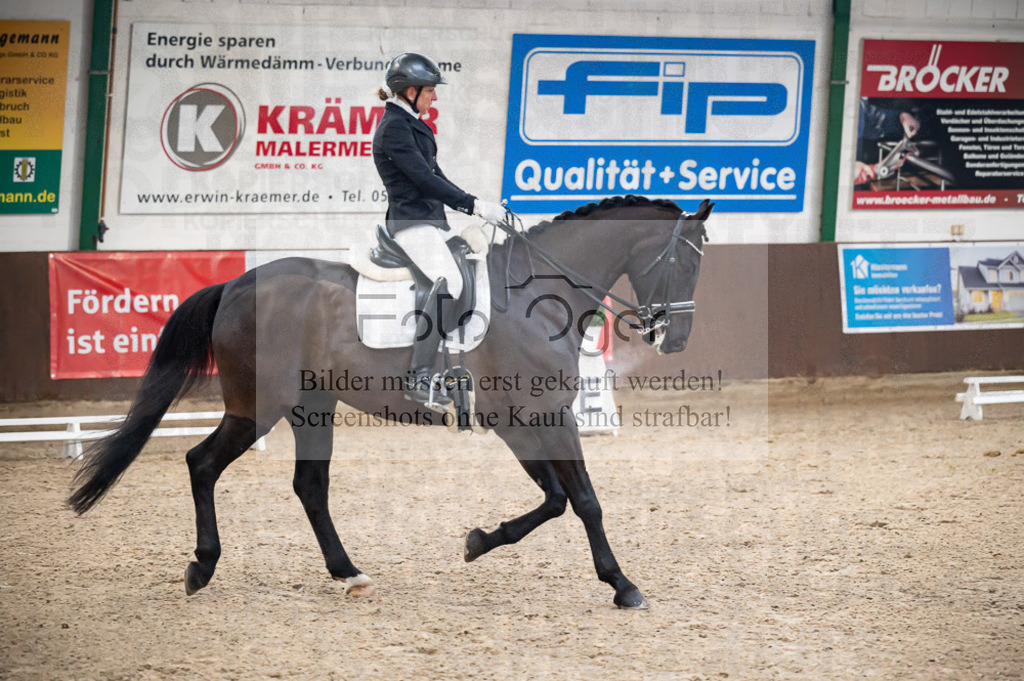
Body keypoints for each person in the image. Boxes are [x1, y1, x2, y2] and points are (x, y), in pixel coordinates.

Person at [372, 52, 506, 411]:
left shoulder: (413, 124)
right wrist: (473, 205)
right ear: (410, 91)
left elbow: (437, 174)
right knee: (451, 281)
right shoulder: (395, 129)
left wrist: (478, 204)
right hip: (410, 223)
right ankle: (419, 376)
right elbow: (424, 180)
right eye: (430, 90)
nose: (435, 97)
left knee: (473, 265)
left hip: (430, 222)